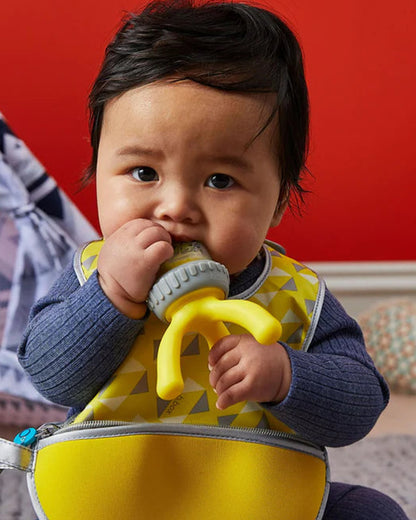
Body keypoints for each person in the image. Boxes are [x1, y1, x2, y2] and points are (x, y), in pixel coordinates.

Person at [18, 1, 408, 518]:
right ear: (95, 170)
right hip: (113, 493)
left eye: (220, 181)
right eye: (142, 172)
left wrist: (286, 376)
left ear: (280, 201)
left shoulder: (293, 295)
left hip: (255, 496)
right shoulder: (95, 272)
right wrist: (111, 297)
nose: (175, 207)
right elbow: (50, 376)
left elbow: (359, 408)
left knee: (371, 510)